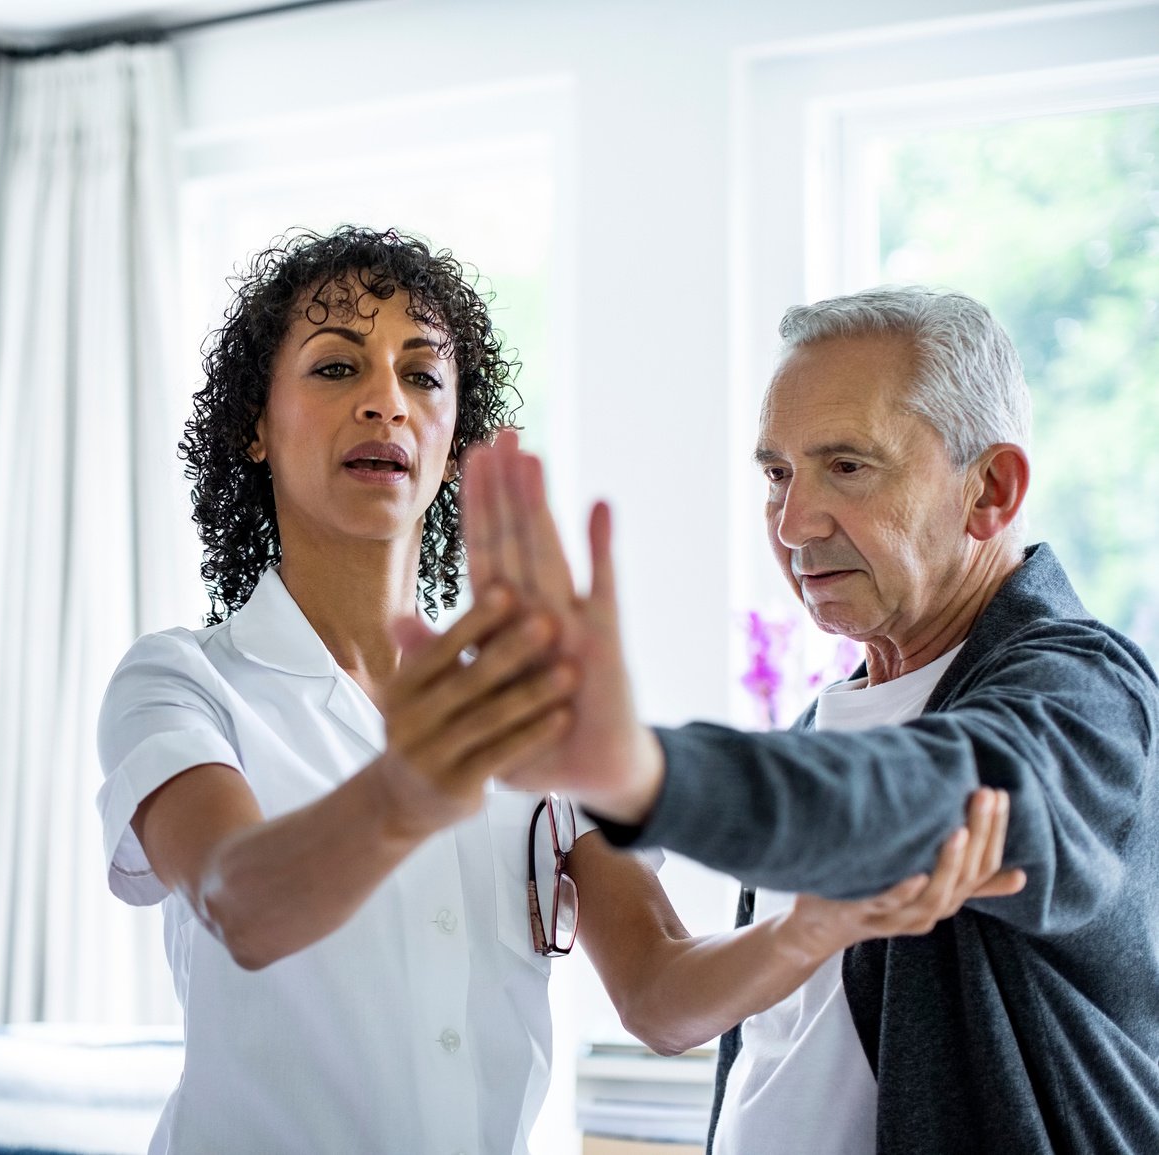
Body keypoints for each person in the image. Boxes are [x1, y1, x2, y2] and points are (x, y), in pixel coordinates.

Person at [96, 232, 1013, 1154]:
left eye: (422, 377)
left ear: (456, 437)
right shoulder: (182, 682)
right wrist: (407, 794)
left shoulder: (530, 704)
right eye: (337, 368)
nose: (385, 402)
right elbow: (238, 902)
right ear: (254, 422)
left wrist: (818, 925)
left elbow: (660, 995)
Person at [463, 285, 1159, 1153]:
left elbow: (927, 792)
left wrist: (644, 772)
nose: (793, 523)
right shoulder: (820, 724)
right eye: (777, 474)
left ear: (991, 489)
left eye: (849, 466)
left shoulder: (1082, 692)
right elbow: (715, 1024)